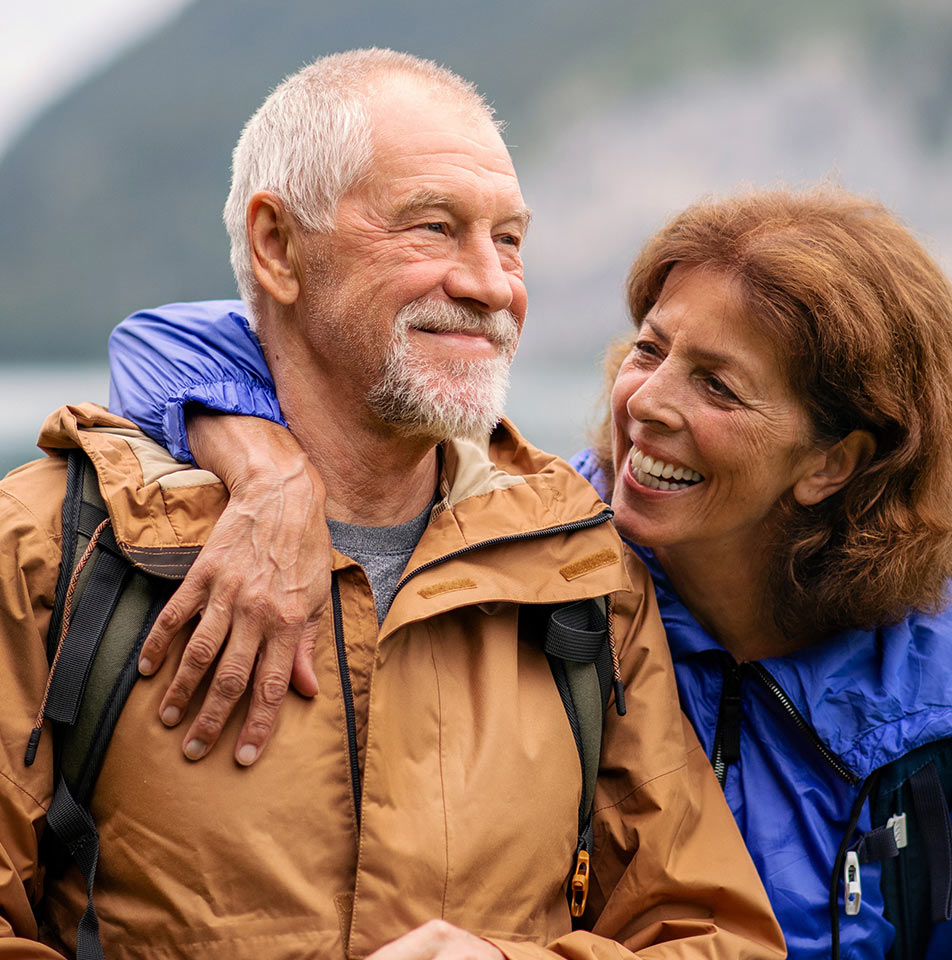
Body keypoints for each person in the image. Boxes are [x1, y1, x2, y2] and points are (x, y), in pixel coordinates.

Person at [0, 49, 783, 959]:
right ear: (277, 247)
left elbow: (714, 936)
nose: (492, 284)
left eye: (509, 239)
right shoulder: (47, 546)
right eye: (432, 227)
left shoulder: (575, 564)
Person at [104, 187, 952, 959]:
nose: (647, 403)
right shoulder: (543, 552)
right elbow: (160, 339)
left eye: (719, 388)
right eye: (650, 349)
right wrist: (262, 466)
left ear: (832, 463)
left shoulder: (932, 694)